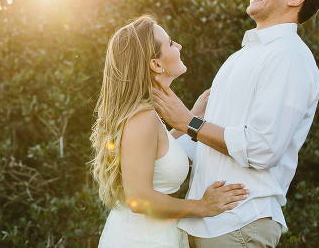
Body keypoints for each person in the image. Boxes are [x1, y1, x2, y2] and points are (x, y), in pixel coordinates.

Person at [151, 0, 319, 247]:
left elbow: (263, 148)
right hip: (200, 223)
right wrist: (160, 139)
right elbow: (203, 150)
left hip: (239, 224)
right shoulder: (239, 58)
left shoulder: (290, 58)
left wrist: (188, 122)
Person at [89, 16, 250, 247]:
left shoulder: (145, 115)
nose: (180, 46)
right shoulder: (142, 117)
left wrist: (190, 118)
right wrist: (202, 206)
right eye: (171, 43)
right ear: (155, 64)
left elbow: (155, 154)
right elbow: (139, 200)